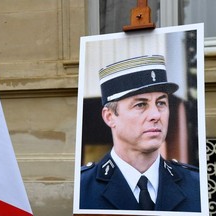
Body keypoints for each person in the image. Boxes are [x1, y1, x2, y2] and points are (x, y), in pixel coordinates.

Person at [80, 55, 201, 212]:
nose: (156, 115)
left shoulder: (196, 184)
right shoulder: (82, 188)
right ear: (110, 117)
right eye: (141, 104)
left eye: (161, 103)